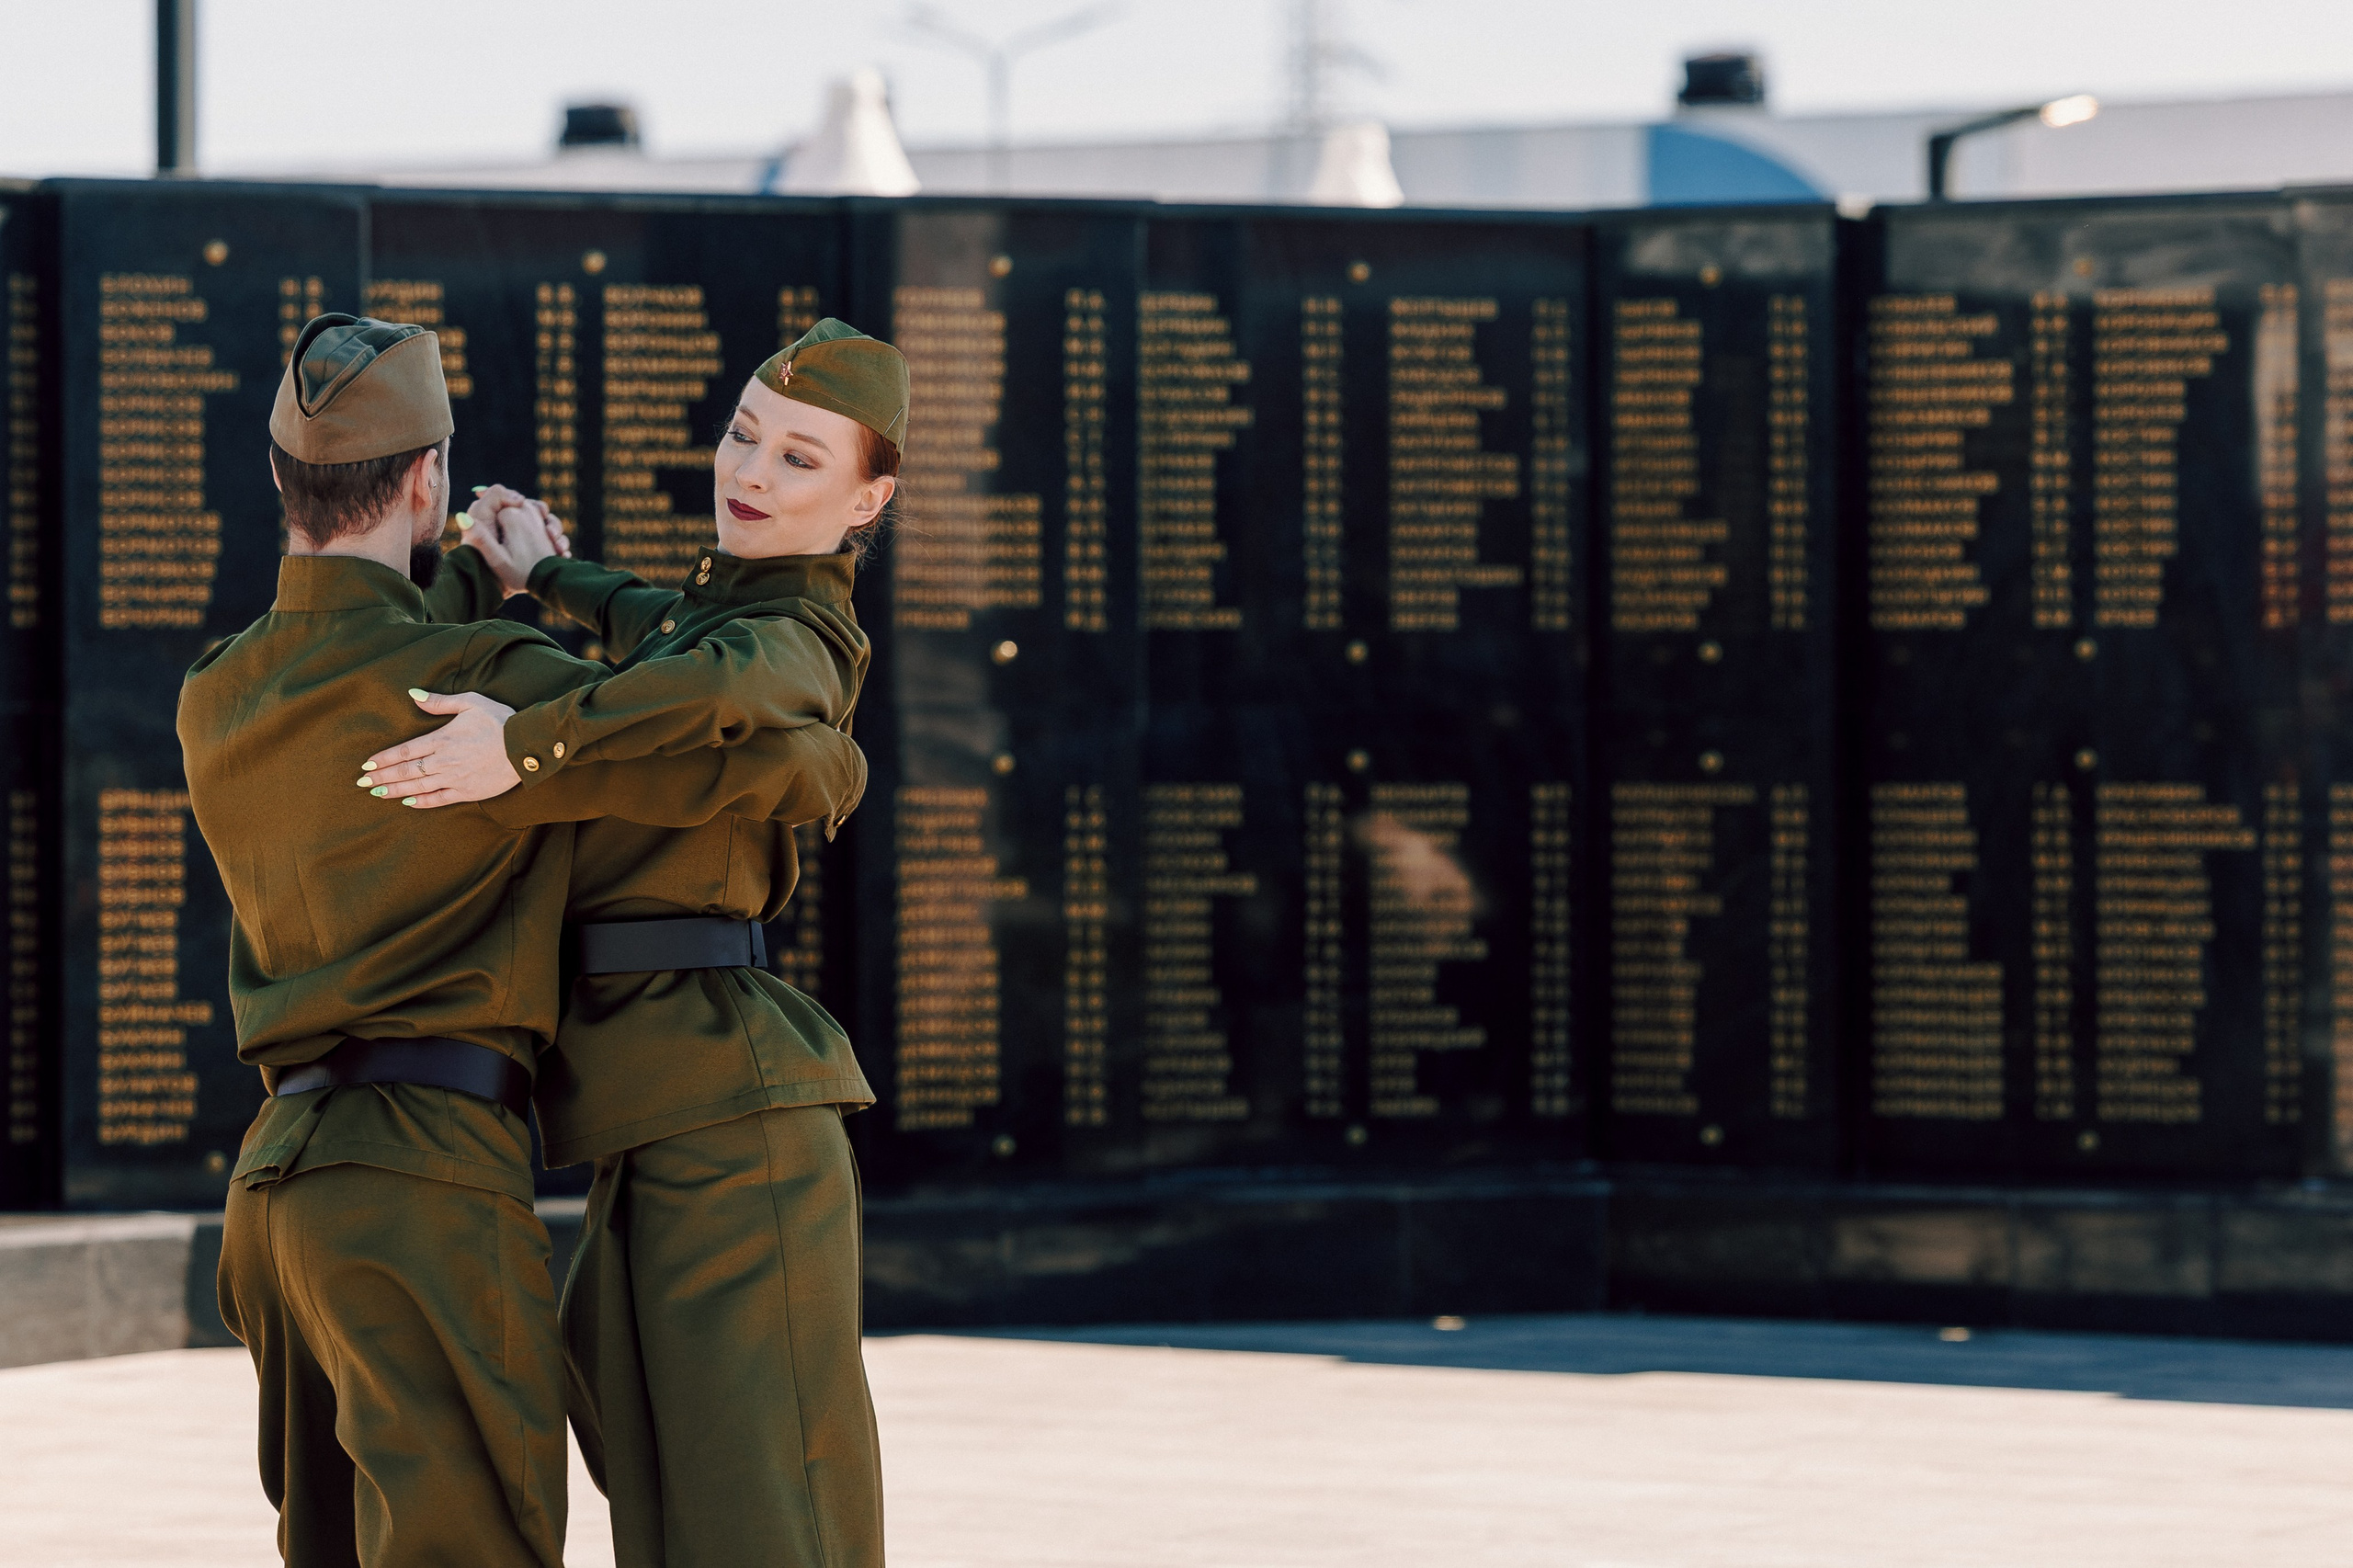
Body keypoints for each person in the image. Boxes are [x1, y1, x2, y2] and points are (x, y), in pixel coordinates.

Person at [180, 313, 866, 1568]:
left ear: (280, 480)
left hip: (276, 1192)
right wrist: (832, 758)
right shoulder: (487, 676)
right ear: (431, 480)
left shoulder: (220, 690)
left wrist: (500, 570)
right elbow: (750, 731)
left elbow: (350, 627)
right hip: (431, 1176)